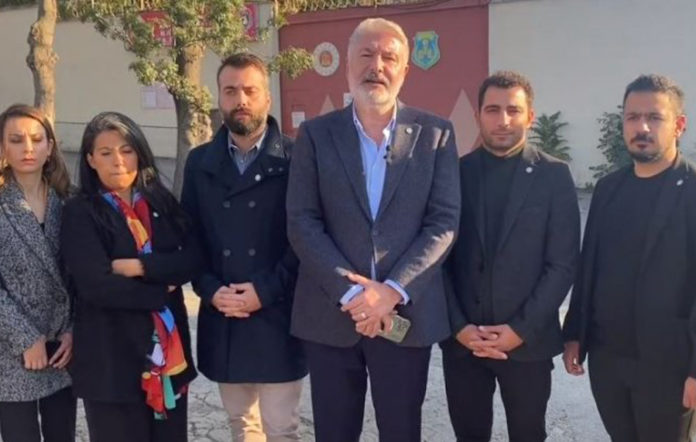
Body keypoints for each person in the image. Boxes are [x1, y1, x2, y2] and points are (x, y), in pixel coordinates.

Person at [286, 17, 460, 442]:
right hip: (330, 315)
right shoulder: (315, 135)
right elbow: (302, 219)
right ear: (348, 64)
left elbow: (443, 223)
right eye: (366, 54)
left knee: (401, 431)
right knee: (334, 432)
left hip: (404, 317)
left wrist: (392, 291)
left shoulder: (436, 134)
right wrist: (352, 295)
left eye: (388, 57)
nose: (376, 66)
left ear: (405, 70)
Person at [441, 71, 580, 442]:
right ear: (478, 116)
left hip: (527, 344)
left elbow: (562, 264)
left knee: (529, 434)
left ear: (529, 116)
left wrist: (519, 330)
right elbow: (438, 260)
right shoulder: (456, 174)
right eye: (493, 110)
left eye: (513, 110)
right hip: (464, 344)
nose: (503, 120)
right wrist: (458, 328)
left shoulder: (554, 176)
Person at [563, 74, 696, 441]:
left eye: (654, 117)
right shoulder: (609, 189)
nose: (642, 127)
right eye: (632, 117)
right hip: (608, 360)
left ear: (678, 125)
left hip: (668, 363)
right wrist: (575, 333)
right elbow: (589, 267)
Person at [181, 53, 305, 441]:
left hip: (277, 314)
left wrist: (264, 291)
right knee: (242, 426)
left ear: (268, 97)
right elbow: (191, 239)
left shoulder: (297, 159)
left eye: (250, 90)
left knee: (281, 428)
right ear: (219, 96)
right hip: (224, 314)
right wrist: (210, 290)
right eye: (231, 90)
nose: (241, 100)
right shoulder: (200, 162)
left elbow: (306, 240)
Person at [61, 112, 200, 442]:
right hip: (112, 362)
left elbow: (193, 258)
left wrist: (140, 268)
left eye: (126, 150)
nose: (118, 161)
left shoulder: (160, 202)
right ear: (91, 160)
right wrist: (161, 291)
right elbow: (96, 286)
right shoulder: (80, 211)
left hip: (168, 360)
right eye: (106, 152)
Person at [0, 104, 75, 442]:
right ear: (3, 147)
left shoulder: (70, 200)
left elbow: (83, 274)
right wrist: (26, 338)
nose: (27, 148)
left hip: (62, 348)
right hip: (10, 348)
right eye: (16, 140)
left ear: (50, 146)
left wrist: (73, 330)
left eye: (36, 139)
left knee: (62, 434)